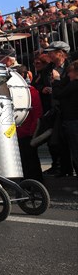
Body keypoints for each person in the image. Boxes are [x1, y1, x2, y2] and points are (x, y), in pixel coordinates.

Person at [42, 41, 74, 177]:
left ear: (61, 53)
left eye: (52, 52)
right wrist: (43, 89)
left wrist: (57, 83)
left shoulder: (72, 67)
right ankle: (63, 169)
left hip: (70, 109)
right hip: (54, 109)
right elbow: (39, 84)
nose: (49, 54)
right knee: (57, 142)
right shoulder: (47, 69)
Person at [53, 60, 78, 174]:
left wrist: (57, 79)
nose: (68, 75)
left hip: (73, 120)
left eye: (70, 72)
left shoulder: (74, 84)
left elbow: (59, 94)